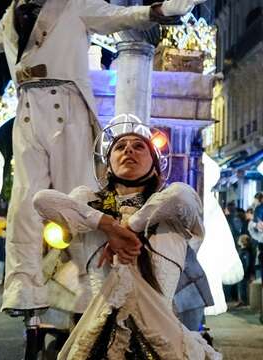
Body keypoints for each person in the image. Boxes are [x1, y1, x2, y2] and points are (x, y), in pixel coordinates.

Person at [0, 0, 206, 314]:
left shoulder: (75, 5)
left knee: (77, 195)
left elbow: (119, 15)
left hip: (67, 105)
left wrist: (158, 11)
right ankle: (25, 290)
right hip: (28, 109)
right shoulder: (13, 13)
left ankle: (90, 282)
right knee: (24, 202)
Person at [32, 114, 219, 358]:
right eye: (120, 147)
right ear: (108, 165)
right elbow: (41, 200)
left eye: (139, 146)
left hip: (163, 340)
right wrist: (108, 225)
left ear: (154, 166)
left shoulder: (173, 209)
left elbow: (181, 195)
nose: (129, 150)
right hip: (102, 338)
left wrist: (130, 228)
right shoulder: (88, 203)